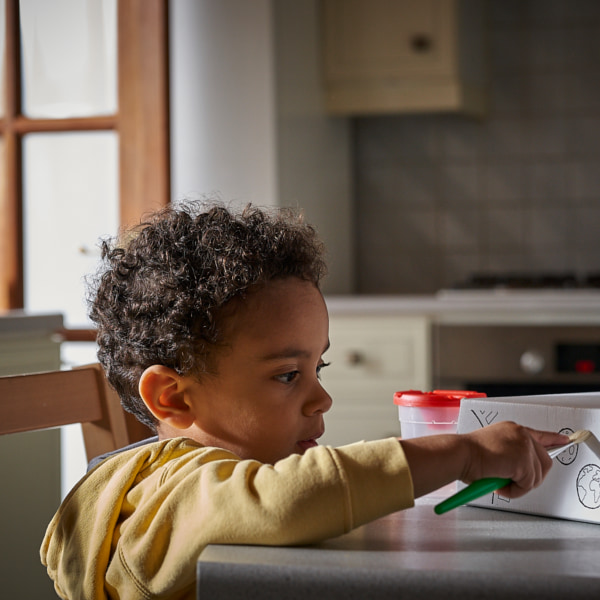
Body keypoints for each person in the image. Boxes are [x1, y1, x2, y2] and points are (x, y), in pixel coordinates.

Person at [41, 202, 568, 600]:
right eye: (288, 375)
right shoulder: (171, 499)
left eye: (320, 366)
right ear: (173, 397)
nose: (322, 398)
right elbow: (283, 502)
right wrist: (464, 452)